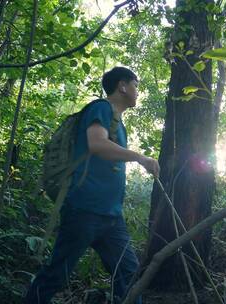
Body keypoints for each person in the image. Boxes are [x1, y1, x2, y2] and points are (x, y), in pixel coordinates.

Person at [24, 67, 159, 304]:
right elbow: (97, 144)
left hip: (111, 217)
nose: (138, 91)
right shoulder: (101, 108)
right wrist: (140, 157)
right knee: (57, 274)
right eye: (136, 85)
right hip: (84, 209)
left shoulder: (119, 124)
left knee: (129, 274)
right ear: (122, 86)